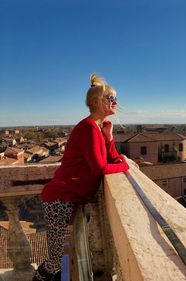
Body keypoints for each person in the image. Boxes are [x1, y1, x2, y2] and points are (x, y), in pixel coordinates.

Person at [33, 74, 130, 281]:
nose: (116, 103)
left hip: (68, 200)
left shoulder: (96, 128)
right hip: (60, 200)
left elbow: (111, 158)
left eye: (115, 98)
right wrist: (125, 166)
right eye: (111, 98)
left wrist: (109, 138)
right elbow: (100, 168)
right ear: (97, 102)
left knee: (64, 256)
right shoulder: (87, 128)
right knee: (56, 261)